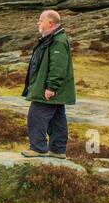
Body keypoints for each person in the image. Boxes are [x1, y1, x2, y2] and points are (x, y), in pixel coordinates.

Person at [21, 9, 75, 157]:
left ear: (50, 23)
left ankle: (37, 148)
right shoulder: (53, 38)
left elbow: (58, 66)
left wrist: (51, 87)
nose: (38, 23)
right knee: (57, 119)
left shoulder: (58, 41)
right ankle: (58, 150)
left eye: (40, 20)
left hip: (49, 89)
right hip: (52, 89)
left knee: (36, 115)